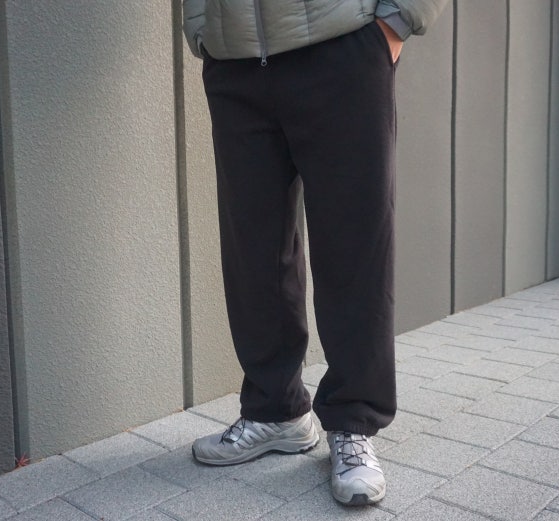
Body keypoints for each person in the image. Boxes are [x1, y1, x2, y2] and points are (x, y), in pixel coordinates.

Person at [182, 0, 448, 506]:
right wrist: (201, 27)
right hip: (235, 62)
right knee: (254, 250)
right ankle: (275, 410)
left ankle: (353, 421)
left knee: (353, 246)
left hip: (340, 45)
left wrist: (397, 22)